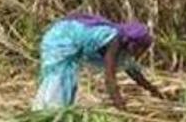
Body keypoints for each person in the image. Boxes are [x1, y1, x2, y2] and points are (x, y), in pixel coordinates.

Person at [32, 13, 167, 110]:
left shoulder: (124, 49)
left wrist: (156, 92)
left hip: (71, 40)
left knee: (67, 82)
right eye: (140, 49)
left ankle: (57, 111)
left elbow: (136, 75)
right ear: (133, 44)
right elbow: (110, 79)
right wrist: (121, 108)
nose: (140, 54)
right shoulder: (115, 41)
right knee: (59, 77)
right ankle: (47, 111)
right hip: (62, 38)